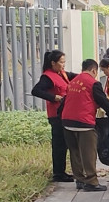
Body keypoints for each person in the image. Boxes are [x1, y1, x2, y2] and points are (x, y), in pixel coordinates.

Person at [58, 59, 109, 192]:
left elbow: (64, 101)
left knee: (75, 152)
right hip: (84, 123)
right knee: (88, 153)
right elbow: (103, 101)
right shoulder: (93, 83)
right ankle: (91, 182)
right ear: (94, 70)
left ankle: (79, 180)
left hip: (67, 122)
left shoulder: (73, 81)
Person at [31, 50, 78, 183]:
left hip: (64, 113)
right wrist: (53, 97)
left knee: (64, 144)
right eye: (61, 62)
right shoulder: (47, 77)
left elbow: (75, 77)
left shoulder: (61, 73)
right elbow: (36, 90)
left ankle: (62, 171)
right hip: (56, 115)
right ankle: (58, 174)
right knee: (59, 145)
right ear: (53, 63)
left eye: (64, 62)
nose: (63, 65)